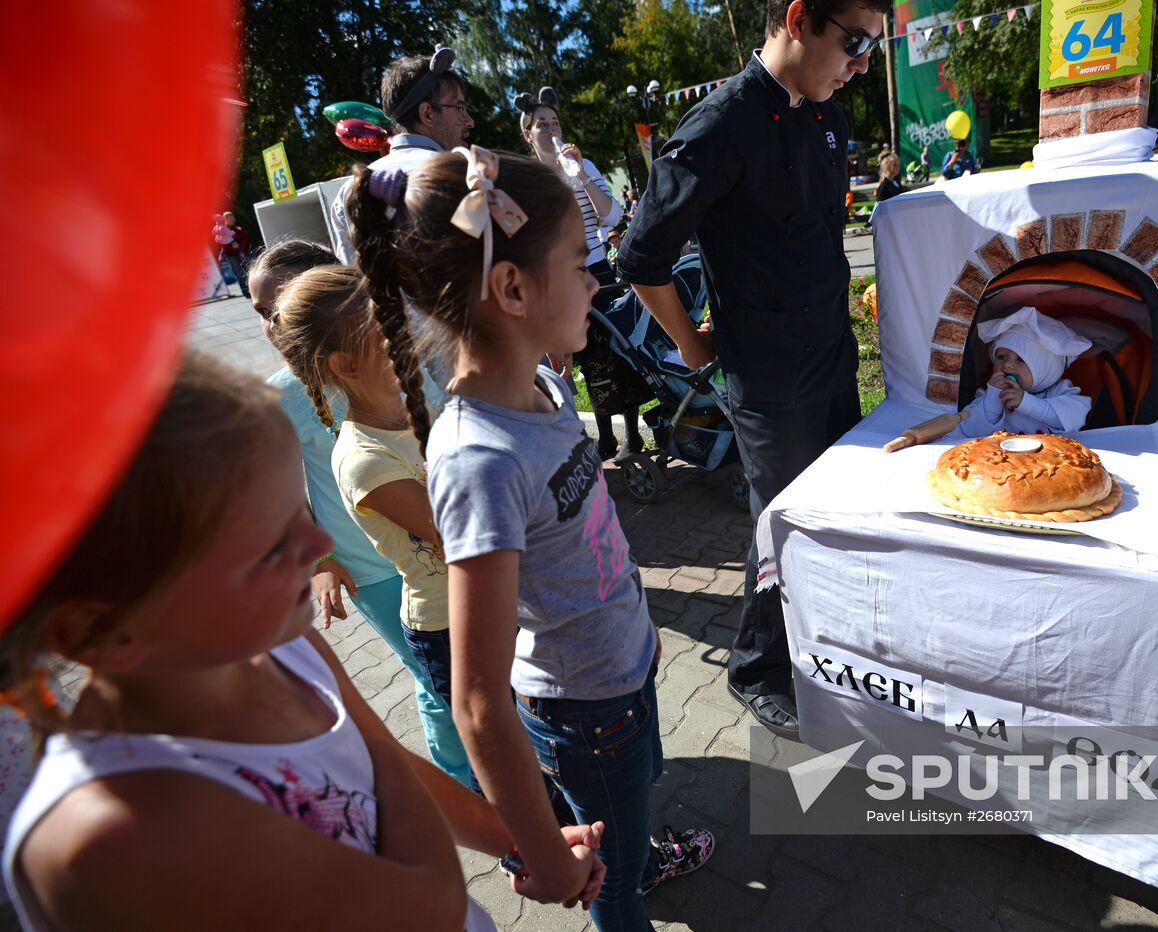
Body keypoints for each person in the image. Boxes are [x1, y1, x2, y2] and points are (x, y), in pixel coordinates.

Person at [0, 352, 607, 931]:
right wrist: (384, 760)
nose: (317, 549)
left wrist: (527, 842)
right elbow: (430, 901)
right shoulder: (114, 833)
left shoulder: (284, 651)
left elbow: (387, 774)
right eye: (266, 548)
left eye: (299, 512)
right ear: (96, 631)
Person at [345, 147, 714, 930]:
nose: (595, 280)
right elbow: (479, 702)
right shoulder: (478, 458)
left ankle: (642, 853)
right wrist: (544, 854)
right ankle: (628, 888)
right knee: (606, 873)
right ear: (512, 287)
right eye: (580, 262)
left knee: (630, 808)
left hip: (624, 666)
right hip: (586, 709)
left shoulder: (544, 387)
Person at [615, 0, 891, 739]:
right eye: (856, 42)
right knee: (782, 527)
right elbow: (641, 259)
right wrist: (691, 343)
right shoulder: (717, 125)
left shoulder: (828, 118)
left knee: (837, 509)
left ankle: (826, 644)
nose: (863, 64)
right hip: (767, 377)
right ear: (799, 19)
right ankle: (756, 667)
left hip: (833, 354)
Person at [246, 242, 474, 791]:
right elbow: (272, 492)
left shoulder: (390, 359)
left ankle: (513, 766)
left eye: (281, 304)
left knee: (477, 666)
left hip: (443, 547)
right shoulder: (276, 399)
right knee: (437, 680)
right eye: (261, 313)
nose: (274, 324)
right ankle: (467, 785)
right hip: (369, 567)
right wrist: (320, 560)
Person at [517, 86, 648, 462]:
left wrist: (582, 176)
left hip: (595, 266)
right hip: (558, 277)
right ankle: (605, 436)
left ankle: (632, 435)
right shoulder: (527, 180)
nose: (551, 129)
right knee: (586, 355)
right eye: (541, 124)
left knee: (617, 346)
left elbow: (611, 217)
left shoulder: (582, 166)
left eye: (555, 122)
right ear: (528, 135)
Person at [329, 46, 476, 264]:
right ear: (427, 114)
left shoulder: (348, 190)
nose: (469, 121)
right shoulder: (461, 172)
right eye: (460, 108)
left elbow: (353, 283)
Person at [884, 308, 1092, 451]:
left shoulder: (1059, 392)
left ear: (1046, 369)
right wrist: (992, 400)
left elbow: (1070, 420)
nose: (1007, 365)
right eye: (1001, 357)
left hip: (1051, 460)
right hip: (999, 460)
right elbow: (970, 430)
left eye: (1021, 359)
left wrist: (1026, 403)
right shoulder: (989, 394)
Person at [212, 211, 251, 298]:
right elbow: (220, 243)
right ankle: (246, 292)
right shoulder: (221, 230)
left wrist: (239, 244)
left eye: (232, 217)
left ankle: (253, 289)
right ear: (225, 219)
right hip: (231, 256)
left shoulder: (238, 229)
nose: (232, 219)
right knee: (239, 274)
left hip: (242, 253)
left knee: (249, 271)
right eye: (229, 217)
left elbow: (245, 240)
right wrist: (222, 254)